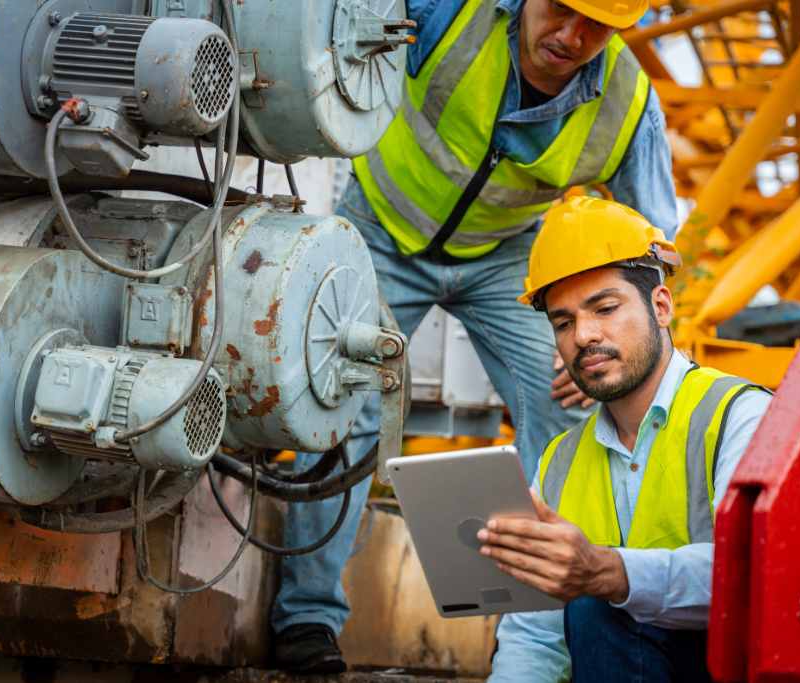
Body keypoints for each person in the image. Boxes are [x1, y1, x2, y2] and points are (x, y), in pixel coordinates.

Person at [272, 0, 678, 672]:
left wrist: (605, 339)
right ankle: (307, 618)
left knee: (570, 412)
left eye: (597, 24)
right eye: (560, 10)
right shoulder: (447, 12)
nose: (572, 36)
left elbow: (651, 243)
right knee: (342, 405)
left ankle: (550, 636)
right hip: (380, 230)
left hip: (502, 260)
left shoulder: (629, 105)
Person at [481, 197, 773, 682]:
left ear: (661, 306)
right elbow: (534, 636)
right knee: (587, 612)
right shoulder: (560, 460)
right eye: (564, 322)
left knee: (596, 606)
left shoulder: (739, 415)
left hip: (727, 667)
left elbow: (752, 576)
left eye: (605, 308)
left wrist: (609, 572)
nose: (583, 336)